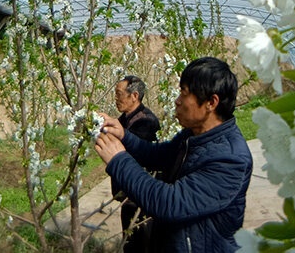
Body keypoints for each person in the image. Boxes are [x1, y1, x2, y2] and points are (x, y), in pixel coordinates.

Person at [95, 57, 253, 253]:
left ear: (211, 102)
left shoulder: (230, 159)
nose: (177, 101)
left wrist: (119, 161)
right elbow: (158, 155)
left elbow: (170, 203)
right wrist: (124, 136)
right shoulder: (194, 134)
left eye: (184, 93)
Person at [112, 75, 161, 251]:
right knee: (129, 240)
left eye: (119, 94)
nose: (116, 98)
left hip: (141, 194)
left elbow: (135, 153)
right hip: (128, 194)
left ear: (134, 96)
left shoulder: (146, 121)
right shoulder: (125, 118)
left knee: (142, 242)